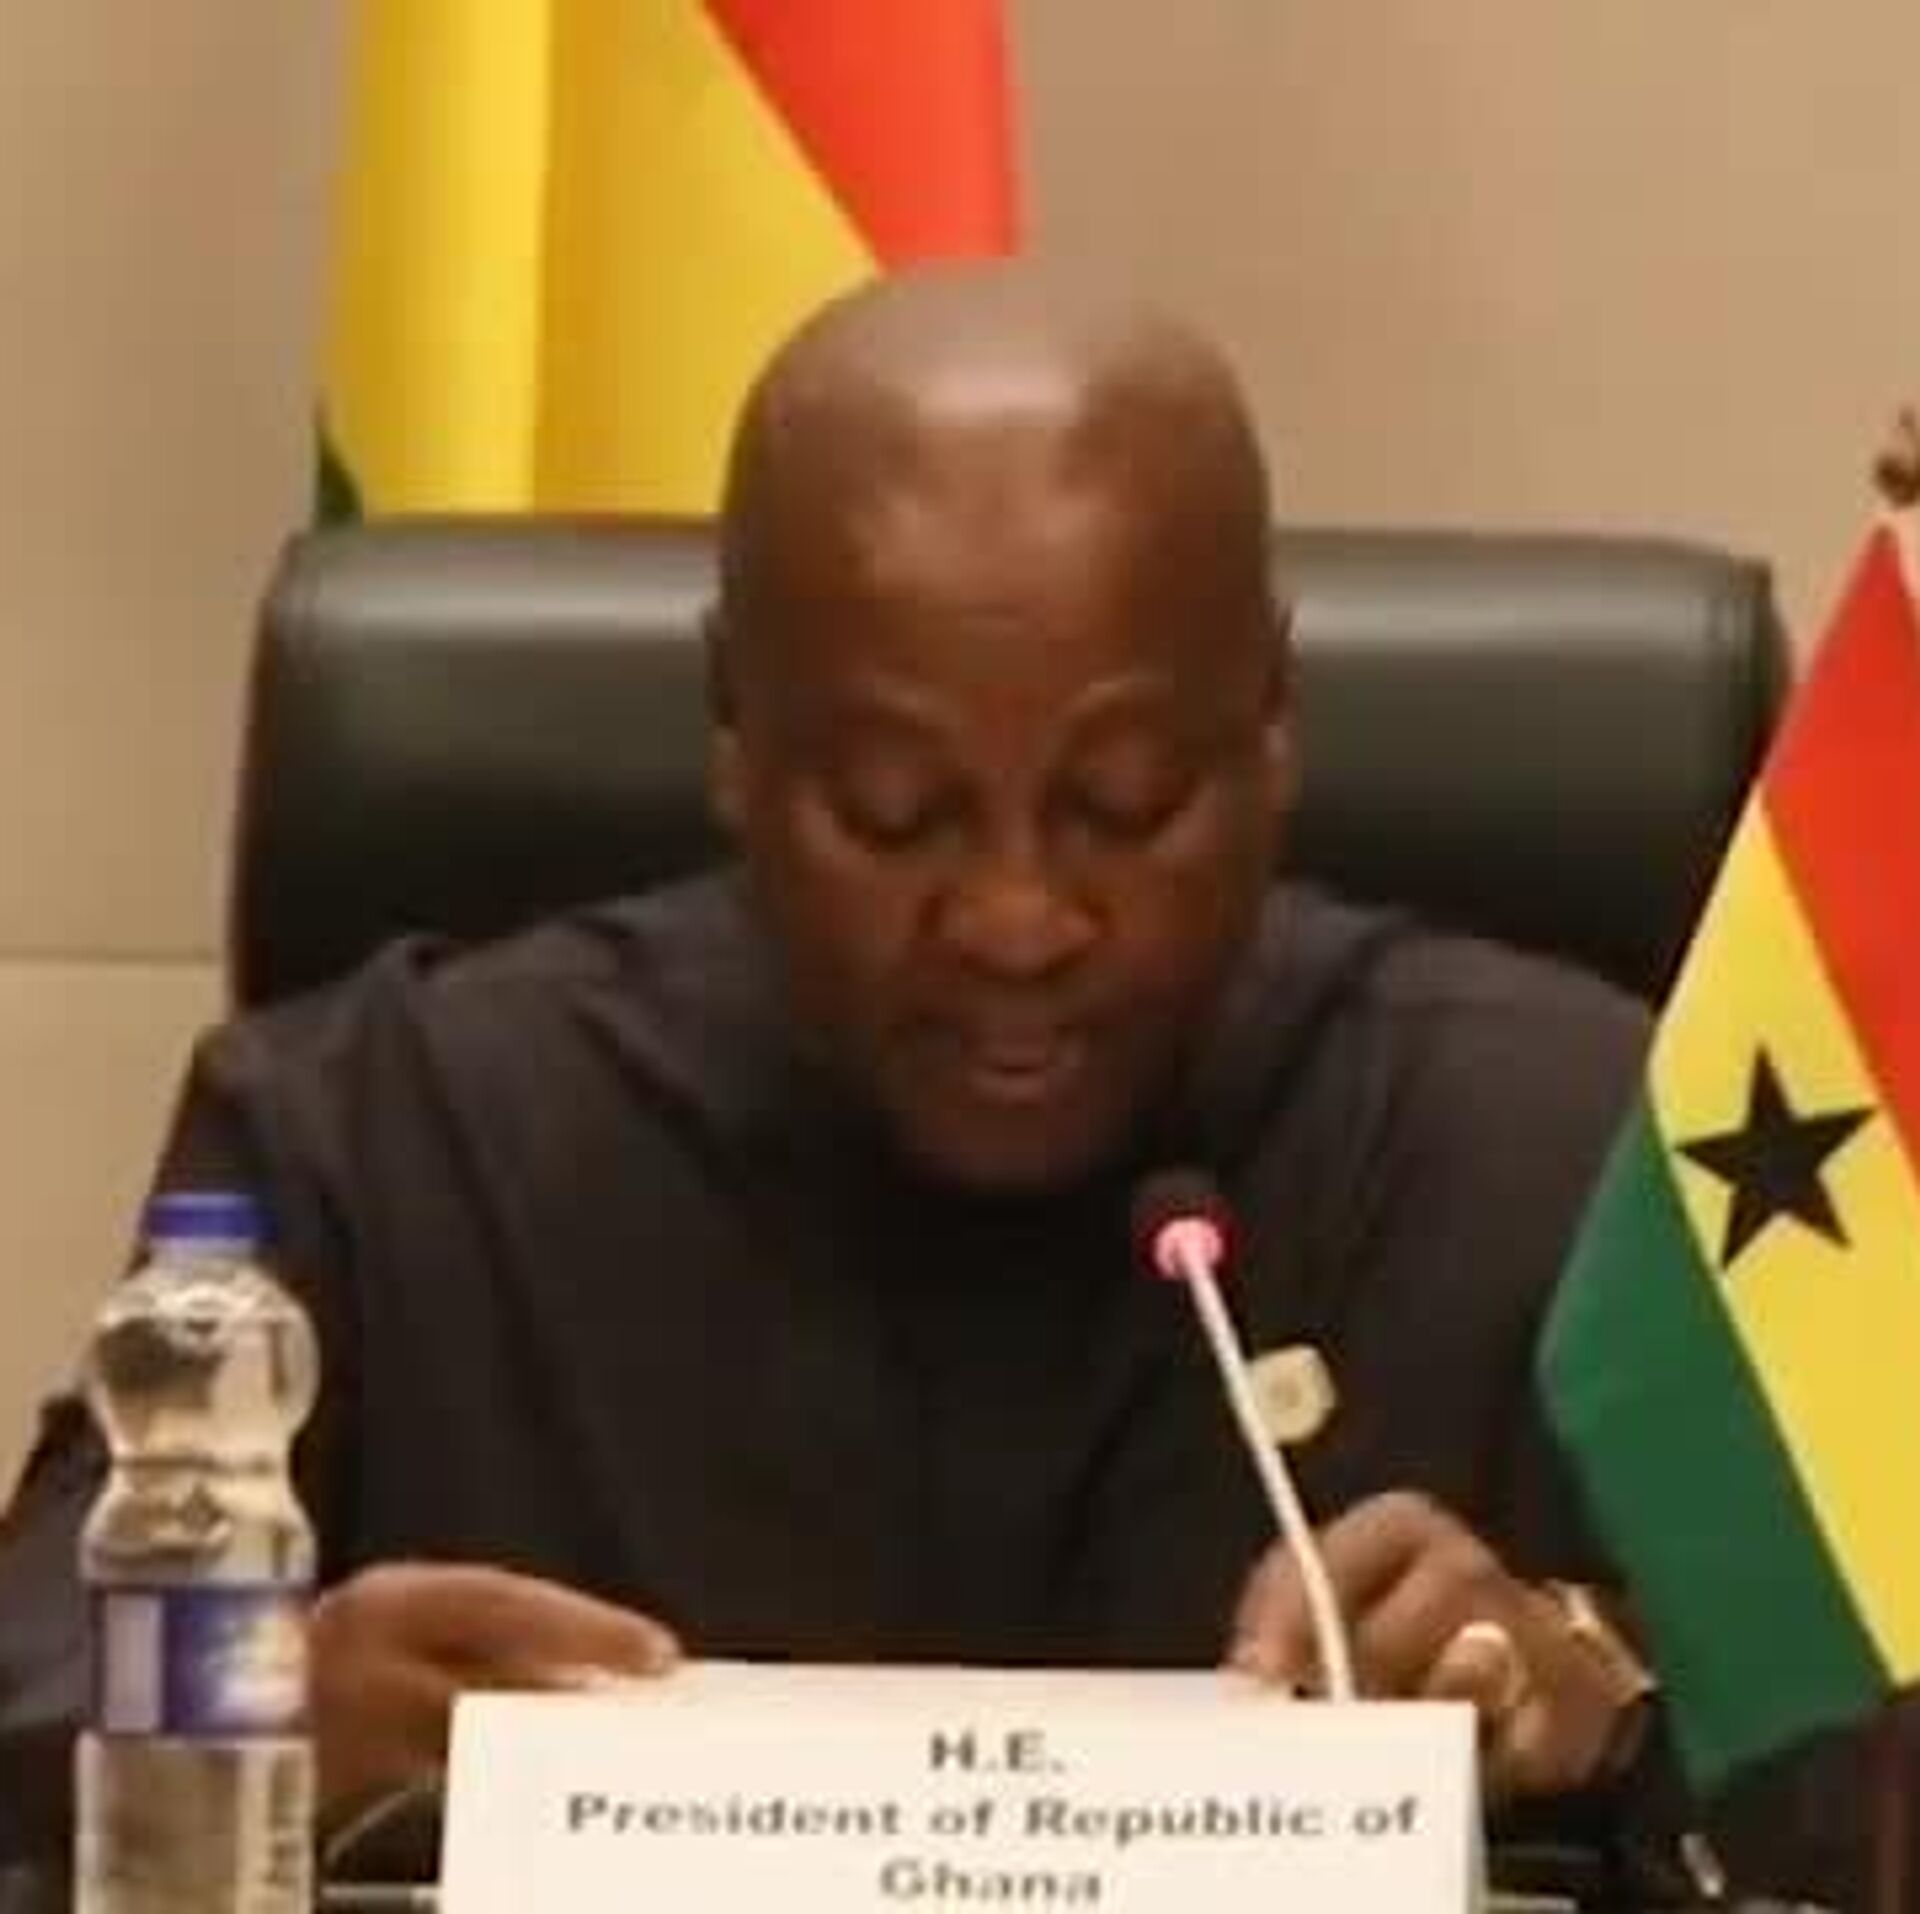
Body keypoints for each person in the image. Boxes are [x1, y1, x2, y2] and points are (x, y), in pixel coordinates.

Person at [0, 264, 1821, 1900]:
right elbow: (34, 1675)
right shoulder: (384, 1136)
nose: (1019, 918)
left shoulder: (1575, 1153)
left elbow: (1854, 1758)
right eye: (893, 811)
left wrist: (1609, 1687)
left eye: (1124, 804)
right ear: (735, 734)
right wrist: (250, 1708)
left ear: (1272, 724)